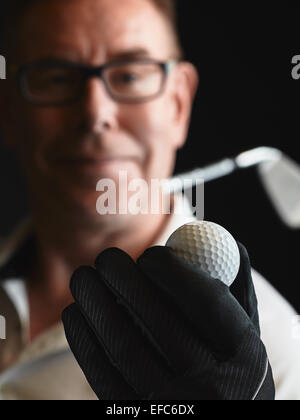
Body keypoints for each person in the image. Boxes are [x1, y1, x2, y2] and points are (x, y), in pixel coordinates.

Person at [0, 0, 298, 400]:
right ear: (7, 109)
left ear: (178, 104)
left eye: (129, 75)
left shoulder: (280, 358)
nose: (94, 112)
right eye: (55, 78)